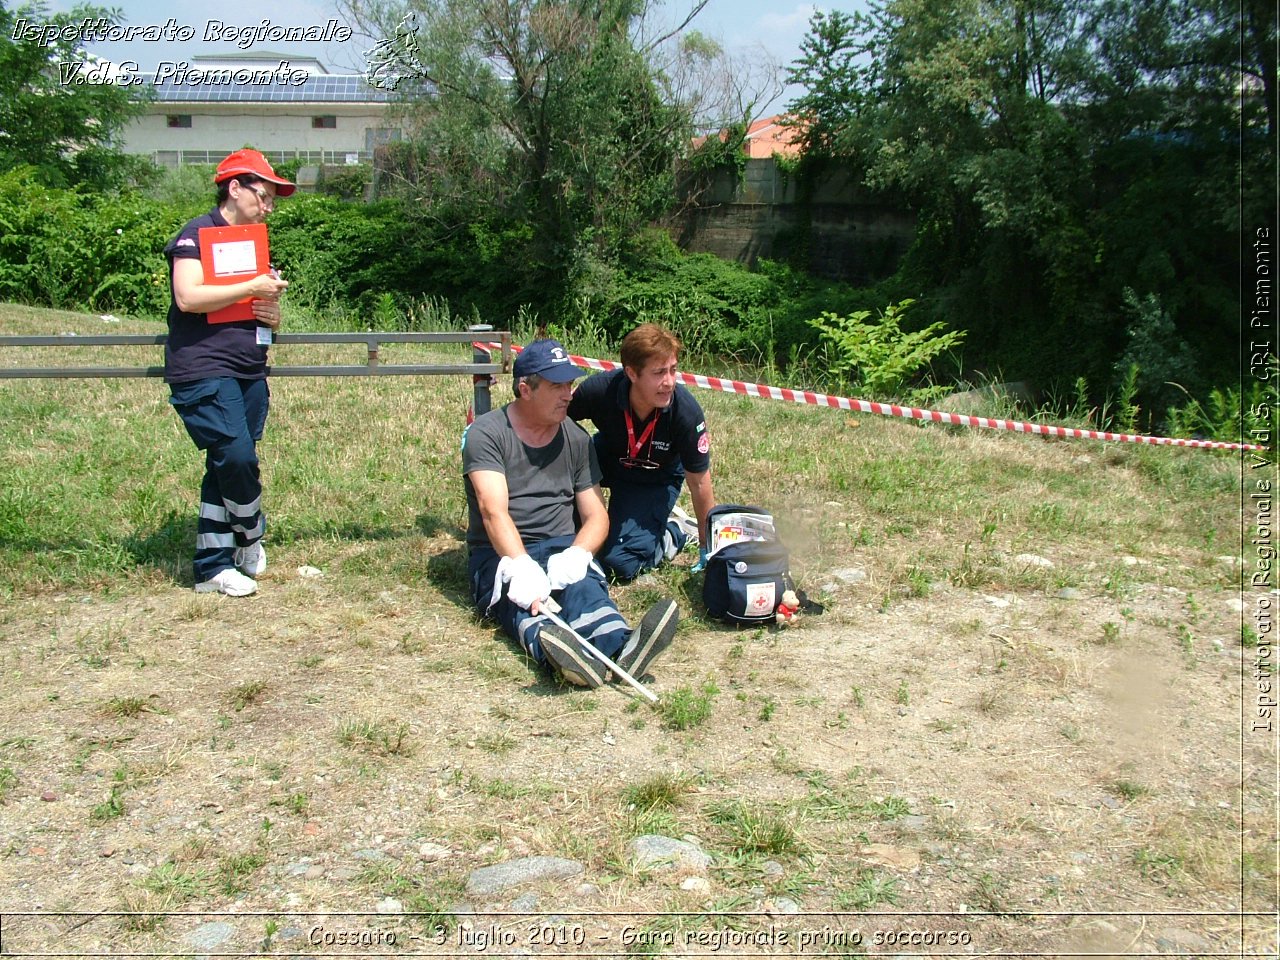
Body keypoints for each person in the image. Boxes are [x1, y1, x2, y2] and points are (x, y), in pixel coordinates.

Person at [462, 339, 679, 688]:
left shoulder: (576, 439)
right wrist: (520, 565)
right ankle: (563, 658)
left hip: (561, 544)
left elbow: (596, 515)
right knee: (528, 604)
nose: (569, 394)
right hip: (501, 553)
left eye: (570, 384)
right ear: (525, 389)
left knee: (586, 589)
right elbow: (492, 511)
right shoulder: (487, 434)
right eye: (557, 386)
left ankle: (624, 648)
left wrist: (579, 553)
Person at [163, 149, 292, 596]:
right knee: (237, 458)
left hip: (248, 367)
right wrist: (252, 285)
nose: (268, 207)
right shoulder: (196, 234)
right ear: (234, 188)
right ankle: (251, 531)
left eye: (273, 200)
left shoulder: (255, 244)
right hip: (203, 368)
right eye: (264, 196)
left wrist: (270, 310)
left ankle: (212, 566)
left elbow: (261, 313)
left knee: (224, 466)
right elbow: (188, 297)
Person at [566, 323, 715, 581]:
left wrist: (707, 546)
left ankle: (673, 532)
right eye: (658, 373)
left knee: (619, 563)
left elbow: (700, 483)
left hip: (654, 476)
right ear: (632, 373)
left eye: (673, 370)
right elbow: (557, 418)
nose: (669, 382)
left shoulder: (686, 413)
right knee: (568, 537)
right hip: (608, 459)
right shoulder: (600, 390)